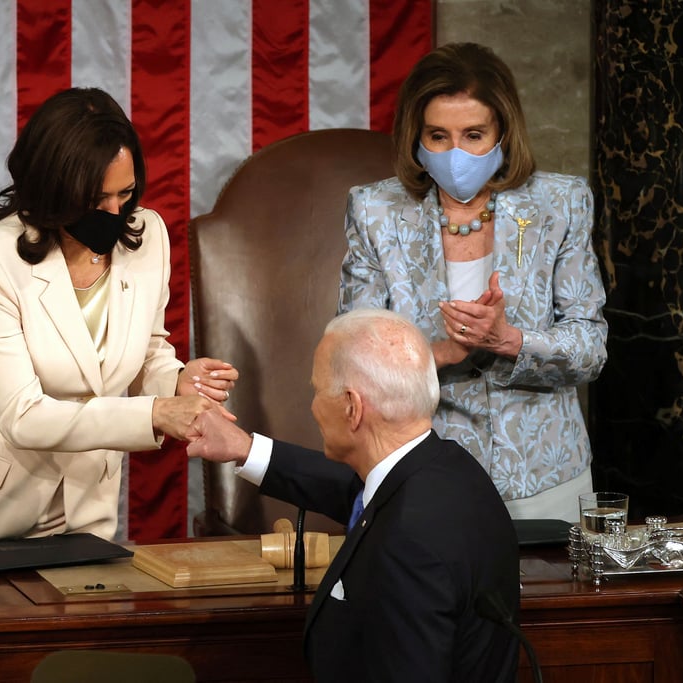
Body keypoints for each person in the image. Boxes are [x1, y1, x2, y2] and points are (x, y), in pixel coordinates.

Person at [0, 88, 236, 549]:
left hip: (79, 510)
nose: (116, 213)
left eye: (126, 193)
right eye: (97, 199)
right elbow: (22, 415)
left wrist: (176, 380)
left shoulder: (149, 236)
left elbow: (148, 348)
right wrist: (157, 413)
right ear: (54, 189)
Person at [339, 42, 607, 522]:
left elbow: (590, 347)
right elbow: (352, 358)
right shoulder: (375, 210)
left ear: (503, 132)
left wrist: (508, 341)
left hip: (545, 475)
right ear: (416, 138)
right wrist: (441, 352)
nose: (455, 153)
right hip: (423, 473)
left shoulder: (561, 204)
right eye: (438, 136)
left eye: (474, 135)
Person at [187, 309, 519, 683]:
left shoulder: (407, 542)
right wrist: (246, 449)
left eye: (316, 390)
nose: (313, 406)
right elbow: (362, 493)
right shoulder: (454, 473)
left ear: (352, 406)